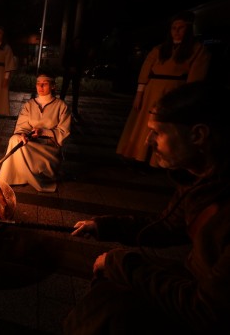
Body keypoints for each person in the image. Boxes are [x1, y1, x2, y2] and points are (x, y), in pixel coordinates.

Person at [64, 81, 230, 335]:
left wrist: (122, 262)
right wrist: (104, 225)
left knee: (110, 308)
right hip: (196, 286)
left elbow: (207, 311)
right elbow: (168, 225)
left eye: (157, 133)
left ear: (198, 135)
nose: (147, 140)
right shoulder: (201, 180)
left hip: (202, 304)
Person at [116, 11, 210, 167]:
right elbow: (146, 69)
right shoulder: (159, 49)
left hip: (174, 92)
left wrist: (185, 101)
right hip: (151, 92)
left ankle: (159, 160)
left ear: (188, 29)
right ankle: (139, 156)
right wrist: (139, 94)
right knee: (144, 126)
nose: (177, 31)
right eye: (174, 28)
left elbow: (195, 78)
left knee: (165, 128)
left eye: (181, 28)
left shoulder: (198, 50)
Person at [0, 74, 71, 192]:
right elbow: (22, 126)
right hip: (31, 143)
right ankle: (12, 178)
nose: (40, 86)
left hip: (49, 147)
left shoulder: (61, 106)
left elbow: (64, 131)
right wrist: (22, 134)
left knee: (18, 144)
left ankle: (28, 177)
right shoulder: (29, 105)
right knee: (15, 140)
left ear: (53, 86)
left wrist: (44, 132)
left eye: (45, 84)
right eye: (38, 83)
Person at [59, 36, 83, 122]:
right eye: (76, 42)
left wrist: (77, 69)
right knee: (63, 90)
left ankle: (74, 110)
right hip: (68, 73)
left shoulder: (81, 52)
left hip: (76, 74)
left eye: (78, 42)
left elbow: (82, 62)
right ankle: (59, 108)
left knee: (75, 93)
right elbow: (64, 61)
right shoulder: (69, 50)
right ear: (73, 43)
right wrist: (69, 67)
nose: (77, 44)